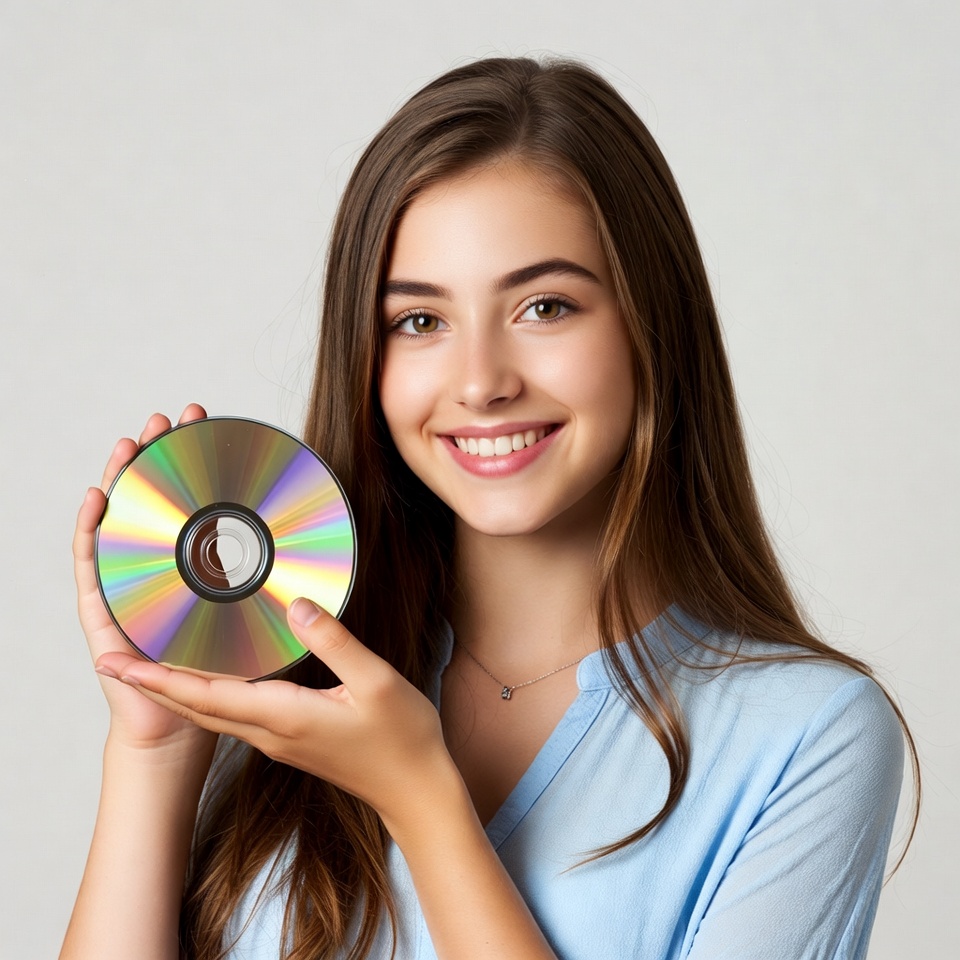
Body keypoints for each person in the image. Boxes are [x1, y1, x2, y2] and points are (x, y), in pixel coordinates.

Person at [61, 57, 916, 960]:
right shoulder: (281, 684)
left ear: (649, 322)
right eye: (420, 322)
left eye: (545, 306)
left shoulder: (811, 735)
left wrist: (423, 800)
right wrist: (155, 753)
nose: (481, 383)